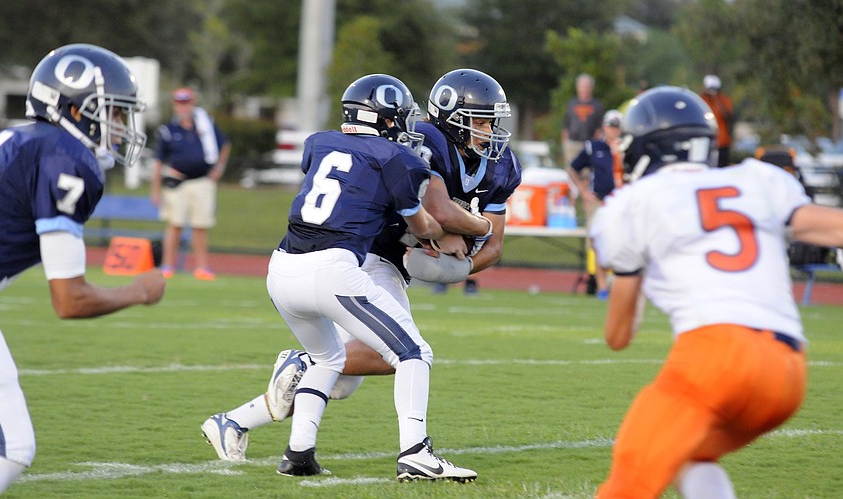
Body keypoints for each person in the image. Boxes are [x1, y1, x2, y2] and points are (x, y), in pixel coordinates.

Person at [200, 69, 520, 479]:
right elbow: (436, 215)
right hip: (368, 253)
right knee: (409, 352)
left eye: (493, 120)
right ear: (450, 116)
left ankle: (244, 426)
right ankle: (415, 453)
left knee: (342, 374)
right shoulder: (422, 143)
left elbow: (493, 250)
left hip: (302, 263)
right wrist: (466, 230)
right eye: (480, 119)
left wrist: (457, 266)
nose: (490, 129)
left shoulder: (502, 165)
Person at [590, 85, 843, 498]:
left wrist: (631, 270)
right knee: (688, 454)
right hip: (788, 371)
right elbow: (832, 226)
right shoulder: (758, 178)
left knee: (628, 485)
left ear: (646, 149)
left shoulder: (633, 202)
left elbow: (618, 337)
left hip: (715, 359)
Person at [0, 44, 166, 498]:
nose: (121, 127)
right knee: (10, 448)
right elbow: (69, 300)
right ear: (73, 109)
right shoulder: (64, 157)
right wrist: (138, 291)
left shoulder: (25, 142)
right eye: (112, 112)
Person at [150, 87, 231, 280]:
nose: (183, 108)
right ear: (175, 106)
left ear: (192, 104)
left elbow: (225, 145)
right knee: (175, 224)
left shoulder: (205, 126)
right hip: (177, 182)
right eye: (180, 103)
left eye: (187, 103)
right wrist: (155, 189)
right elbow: (159, 161)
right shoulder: (168, 130)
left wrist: (218, 169)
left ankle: (202, 267)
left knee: (200, 225)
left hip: (202, 181)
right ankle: (168, 265)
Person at [567, 109, 624, 299]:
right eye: (611, 127)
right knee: (597, 243)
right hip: (599, 201)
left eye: (617, 128)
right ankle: (601, 287)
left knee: (621, 243)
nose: (614, 131)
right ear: (604, 128)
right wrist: (583, 191)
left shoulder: (625, 149)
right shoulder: (594, 147)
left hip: (620, 202)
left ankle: (617, 285)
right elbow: (573, 167)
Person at [561, 73, 604, 168]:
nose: (584, 89)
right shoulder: (572, 103)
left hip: (588, 143)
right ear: (577, 88)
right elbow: (566, 124)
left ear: (591, 88)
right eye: (582, 86)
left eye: (586, 86)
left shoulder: (596, 105)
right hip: (572, 143)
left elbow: (600, 127)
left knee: (586, 171)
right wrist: (565, 142)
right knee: (571, 170)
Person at [699, 74, 733, 167]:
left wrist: (717, 100)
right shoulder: (701, 99)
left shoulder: (723, 99)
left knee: (722, 168)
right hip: (706, 141)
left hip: (722, 142)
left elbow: (728, 116)